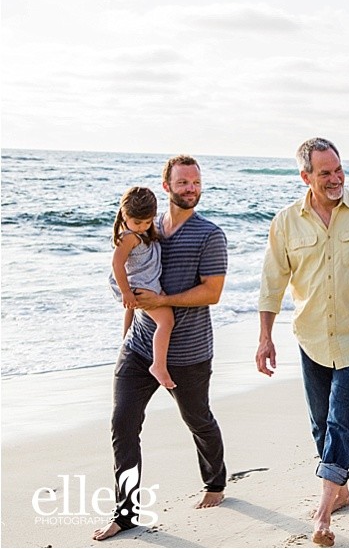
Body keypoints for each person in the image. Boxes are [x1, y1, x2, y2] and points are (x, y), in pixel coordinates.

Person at [256, 137, 349, 547]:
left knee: (339, 419)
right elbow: (272, 282)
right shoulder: (285, 222)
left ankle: (323, 511)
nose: (336, 179)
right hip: (311, 336)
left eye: (339, 169)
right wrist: (265, 337)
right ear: (306, 176)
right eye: (325, 173)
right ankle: (341, 489)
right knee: (319, 422)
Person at [93, 155, 228, 541]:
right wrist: (127, 329)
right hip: (139, 346)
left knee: (198, 419)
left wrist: (162, 300)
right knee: (123, 423)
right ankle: (125, 513)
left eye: (196, 182)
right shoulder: (147, 228)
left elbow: (212, 292)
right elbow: (129, 276)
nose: (191, 189)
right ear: (166, 186)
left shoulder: (210, 235)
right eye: (183, 182)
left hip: (188, 352)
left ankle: (215, 482)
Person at [109, 186, 176, 390]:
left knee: (131, 311)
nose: (142, 227)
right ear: (125, 215)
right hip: (139, 287)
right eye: (137, 222)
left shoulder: (144, 231)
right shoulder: (128, 237)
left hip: (145, 282)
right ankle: (159, 365)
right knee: (166, 321)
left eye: (147, 222)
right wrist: (126, 292)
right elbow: (117, 264)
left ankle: (126, 341)